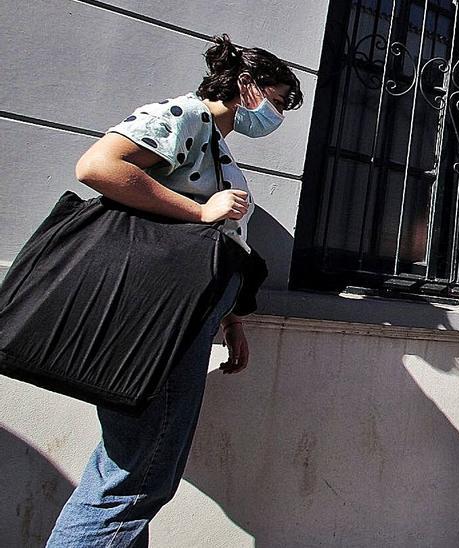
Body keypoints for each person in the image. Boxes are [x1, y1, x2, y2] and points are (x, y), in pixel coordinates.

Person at [46, 35, 302, 546]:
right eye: (275, 101)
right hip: (158, 320)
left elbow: (218, 243)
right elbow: (98, 166)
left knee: (129, 471)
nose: (276, 116)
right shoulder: (185, 115)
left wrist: (231, 319)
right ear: (246, 87)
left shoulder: (216, 145)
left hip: (185, 319)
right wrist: (199, 210)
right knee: (135, 481)